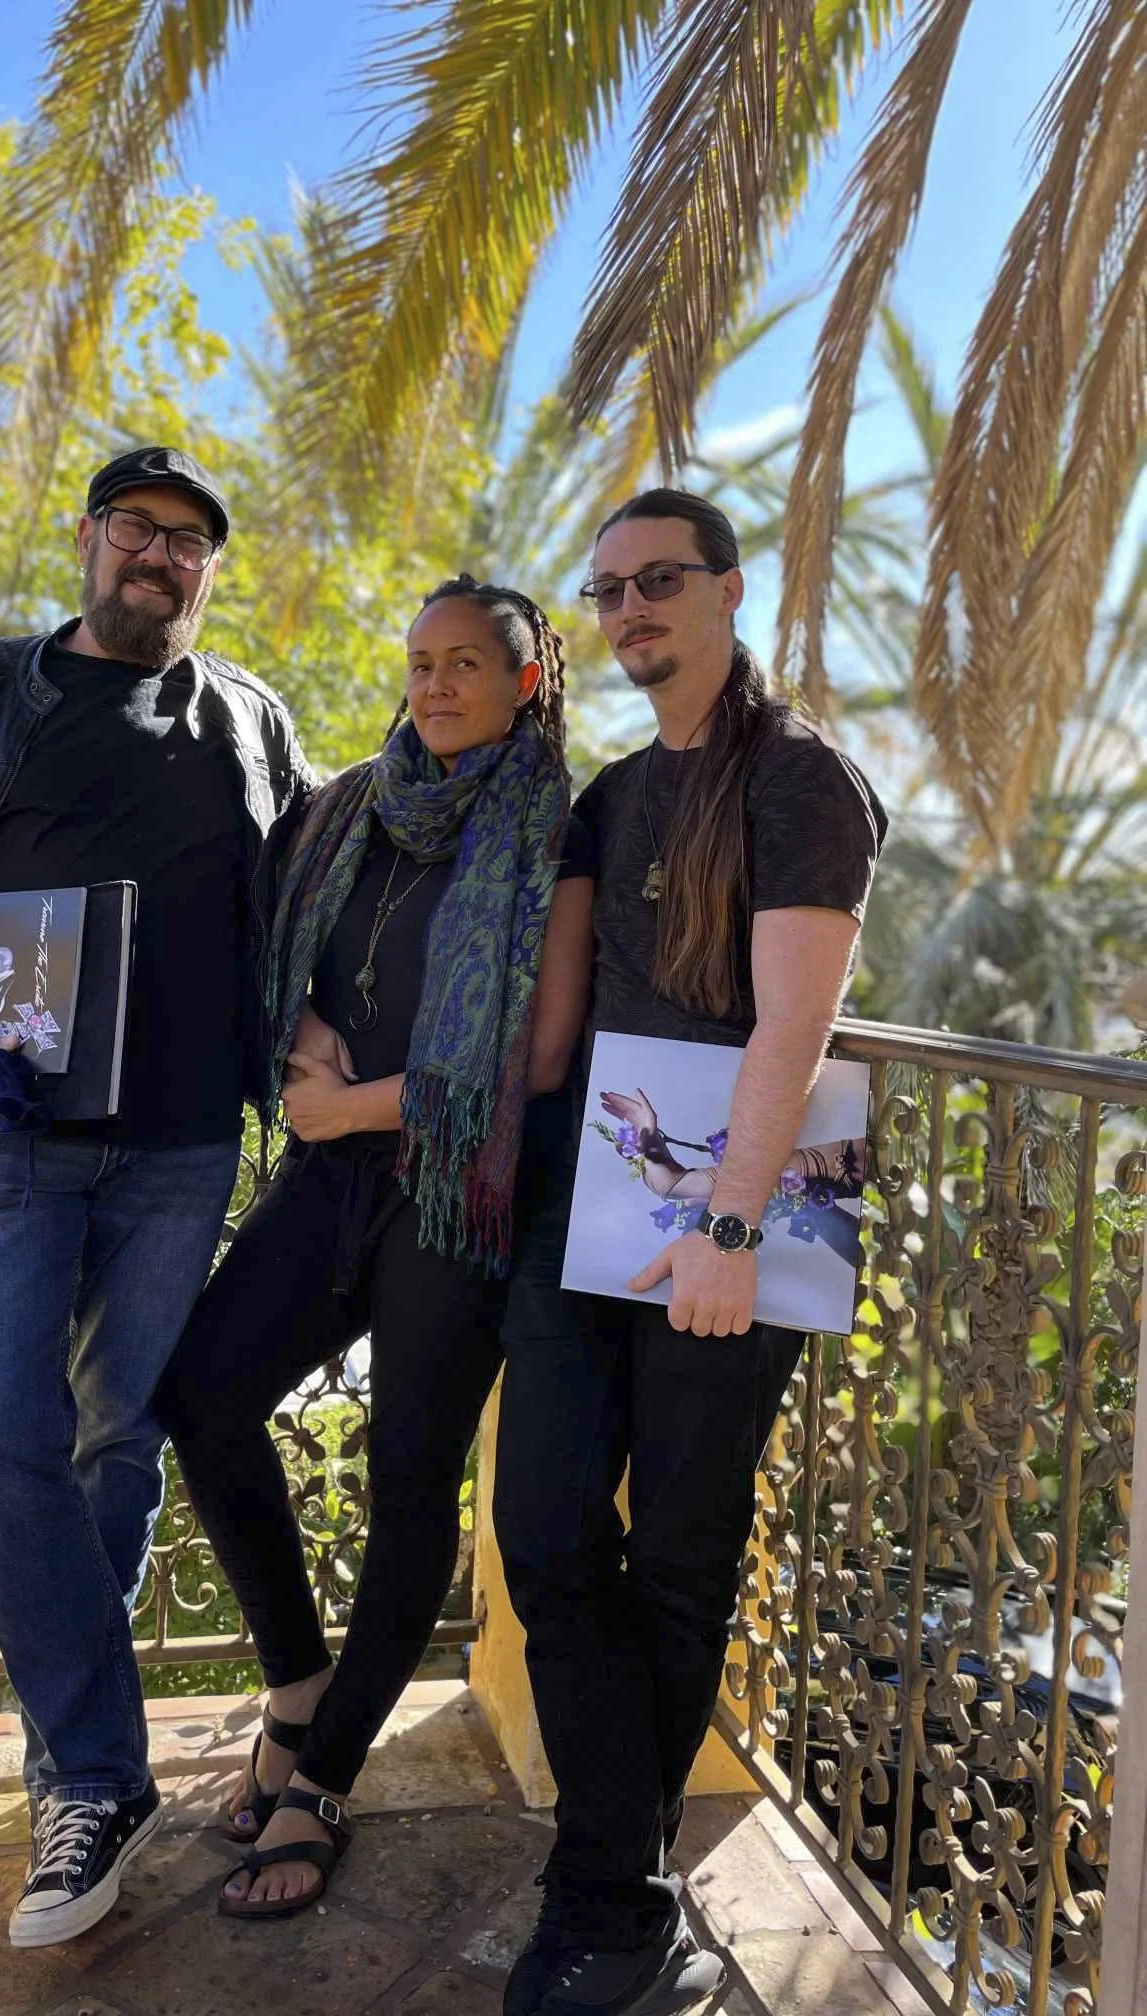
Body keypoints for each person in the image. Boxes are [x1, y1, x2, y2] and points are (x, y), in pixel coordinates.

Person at [0, 445, 313, 1950]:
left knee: (118, 1444)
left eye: (191, 544)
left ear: (207, 573)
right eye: (140, 529)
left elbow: (308, 897)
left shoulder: (251, 719)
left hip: (183, 1147)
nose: (163, 557)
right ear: (89, 540)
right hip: (1, 1133)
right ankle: (98, 1768)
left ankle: (77, 1784)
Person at [495, 490, 887, 2016]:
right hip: (591, 1206)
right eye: (606, 591)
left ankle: (607, 1902)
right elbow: (560, 1009)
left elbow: (797, 1020)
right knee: (545, 1529)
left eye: (658, 580)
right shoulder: (610, 793)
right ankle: (626, 1885)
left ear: (729, 591)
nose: (629, 609)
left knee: (677, 1549)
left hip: (739, 1220)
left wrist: (725, 1226)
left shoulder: (799, 778)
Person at [159, 574, 595, 1919]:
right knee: (202, 1393)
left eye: (467, 662)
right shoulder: (352, 806)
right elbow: (274, 955)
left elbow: (537, 1059)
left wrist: (352, 1102)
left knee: (410, 1477)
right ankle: (298, 1683)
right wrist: (301, 1040)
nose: (437, 684)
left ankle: (325, 1776)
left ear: (526, 680)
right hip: (332, 1178)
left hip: (456, 1190)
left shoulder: (555, 832)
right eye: (421, 662)